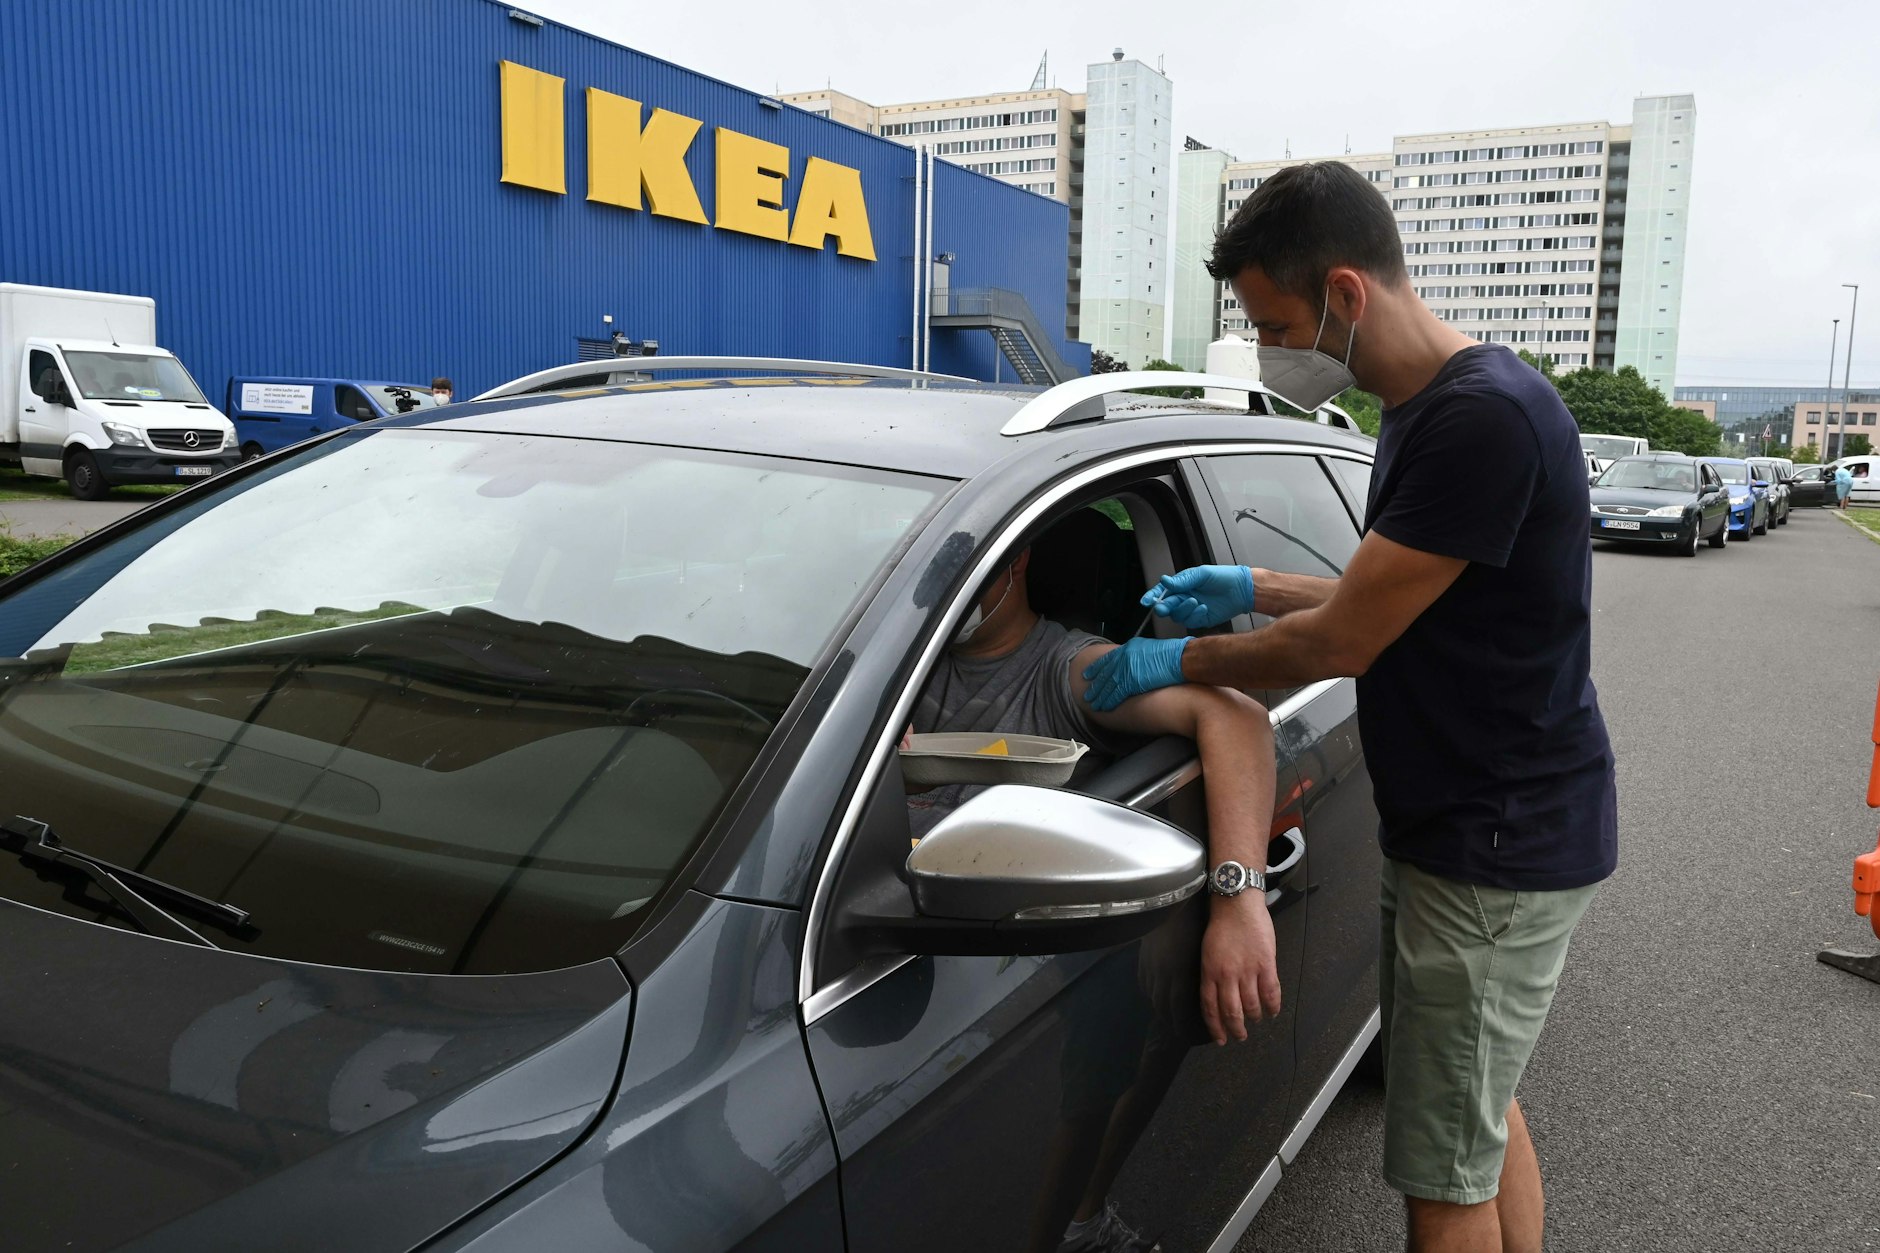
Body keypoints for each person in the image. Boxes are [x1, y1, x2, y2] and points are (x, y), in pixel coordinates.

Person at [1081, 161, 1616, 1253]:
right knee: (1475, 1114)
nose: (1271, 346)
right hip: (1470, 826)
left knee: (1439, 1179)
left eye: (1275, 324)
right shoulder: (1423, 409)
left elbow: (1344, 641)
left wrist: (1176, 657)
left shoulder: (1482, 419)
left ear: (1344, 292)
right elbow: (1389, 598)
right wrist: (1253, 585)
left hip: (1491, 844)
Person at [909, 541, 1281, 1253]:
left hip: (1023, 946)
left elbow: (1237, 719)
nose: (941, 586)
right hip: (913, 930)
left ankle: (1077, 1228)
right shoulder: (906, 661)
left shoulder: (1066, 669)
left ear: (1016, 561)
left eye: (964, 569)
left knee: (1091, 1091)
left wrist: (1238, 900)